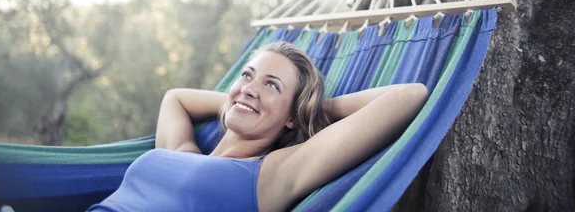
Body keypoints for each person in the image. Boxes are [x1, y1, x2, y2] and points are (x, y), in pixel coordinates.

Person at [88, 41, 427, 212]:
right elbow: (175, 97)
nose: (251, 85)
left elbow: (409, 96)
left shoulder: (270, 174)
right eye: (247, 75)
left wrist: (311, 106)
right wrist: (240, 97)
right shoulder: (182, 150)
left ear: (292, 115)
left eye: (272, 85)